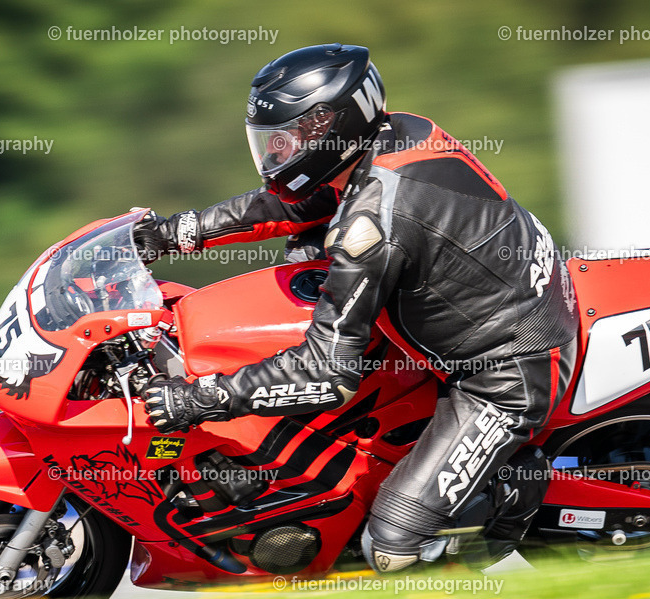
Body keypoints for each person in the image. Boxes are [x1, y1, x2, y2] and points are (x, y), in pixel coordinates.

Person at [132, 43, 577, 572]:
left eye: (288, 139)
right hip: (502, 298)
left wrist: (203, 399)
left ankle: (513, 490)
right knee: (306, 251)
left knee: (390, 548)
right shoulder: (397, 133)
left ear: (333, 127)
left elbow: (328, 373)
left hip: (506, 371)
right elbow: (296, 203)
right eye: (270, 141)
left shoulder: (372, 229)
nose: (276, 155)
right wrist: (173, 233)